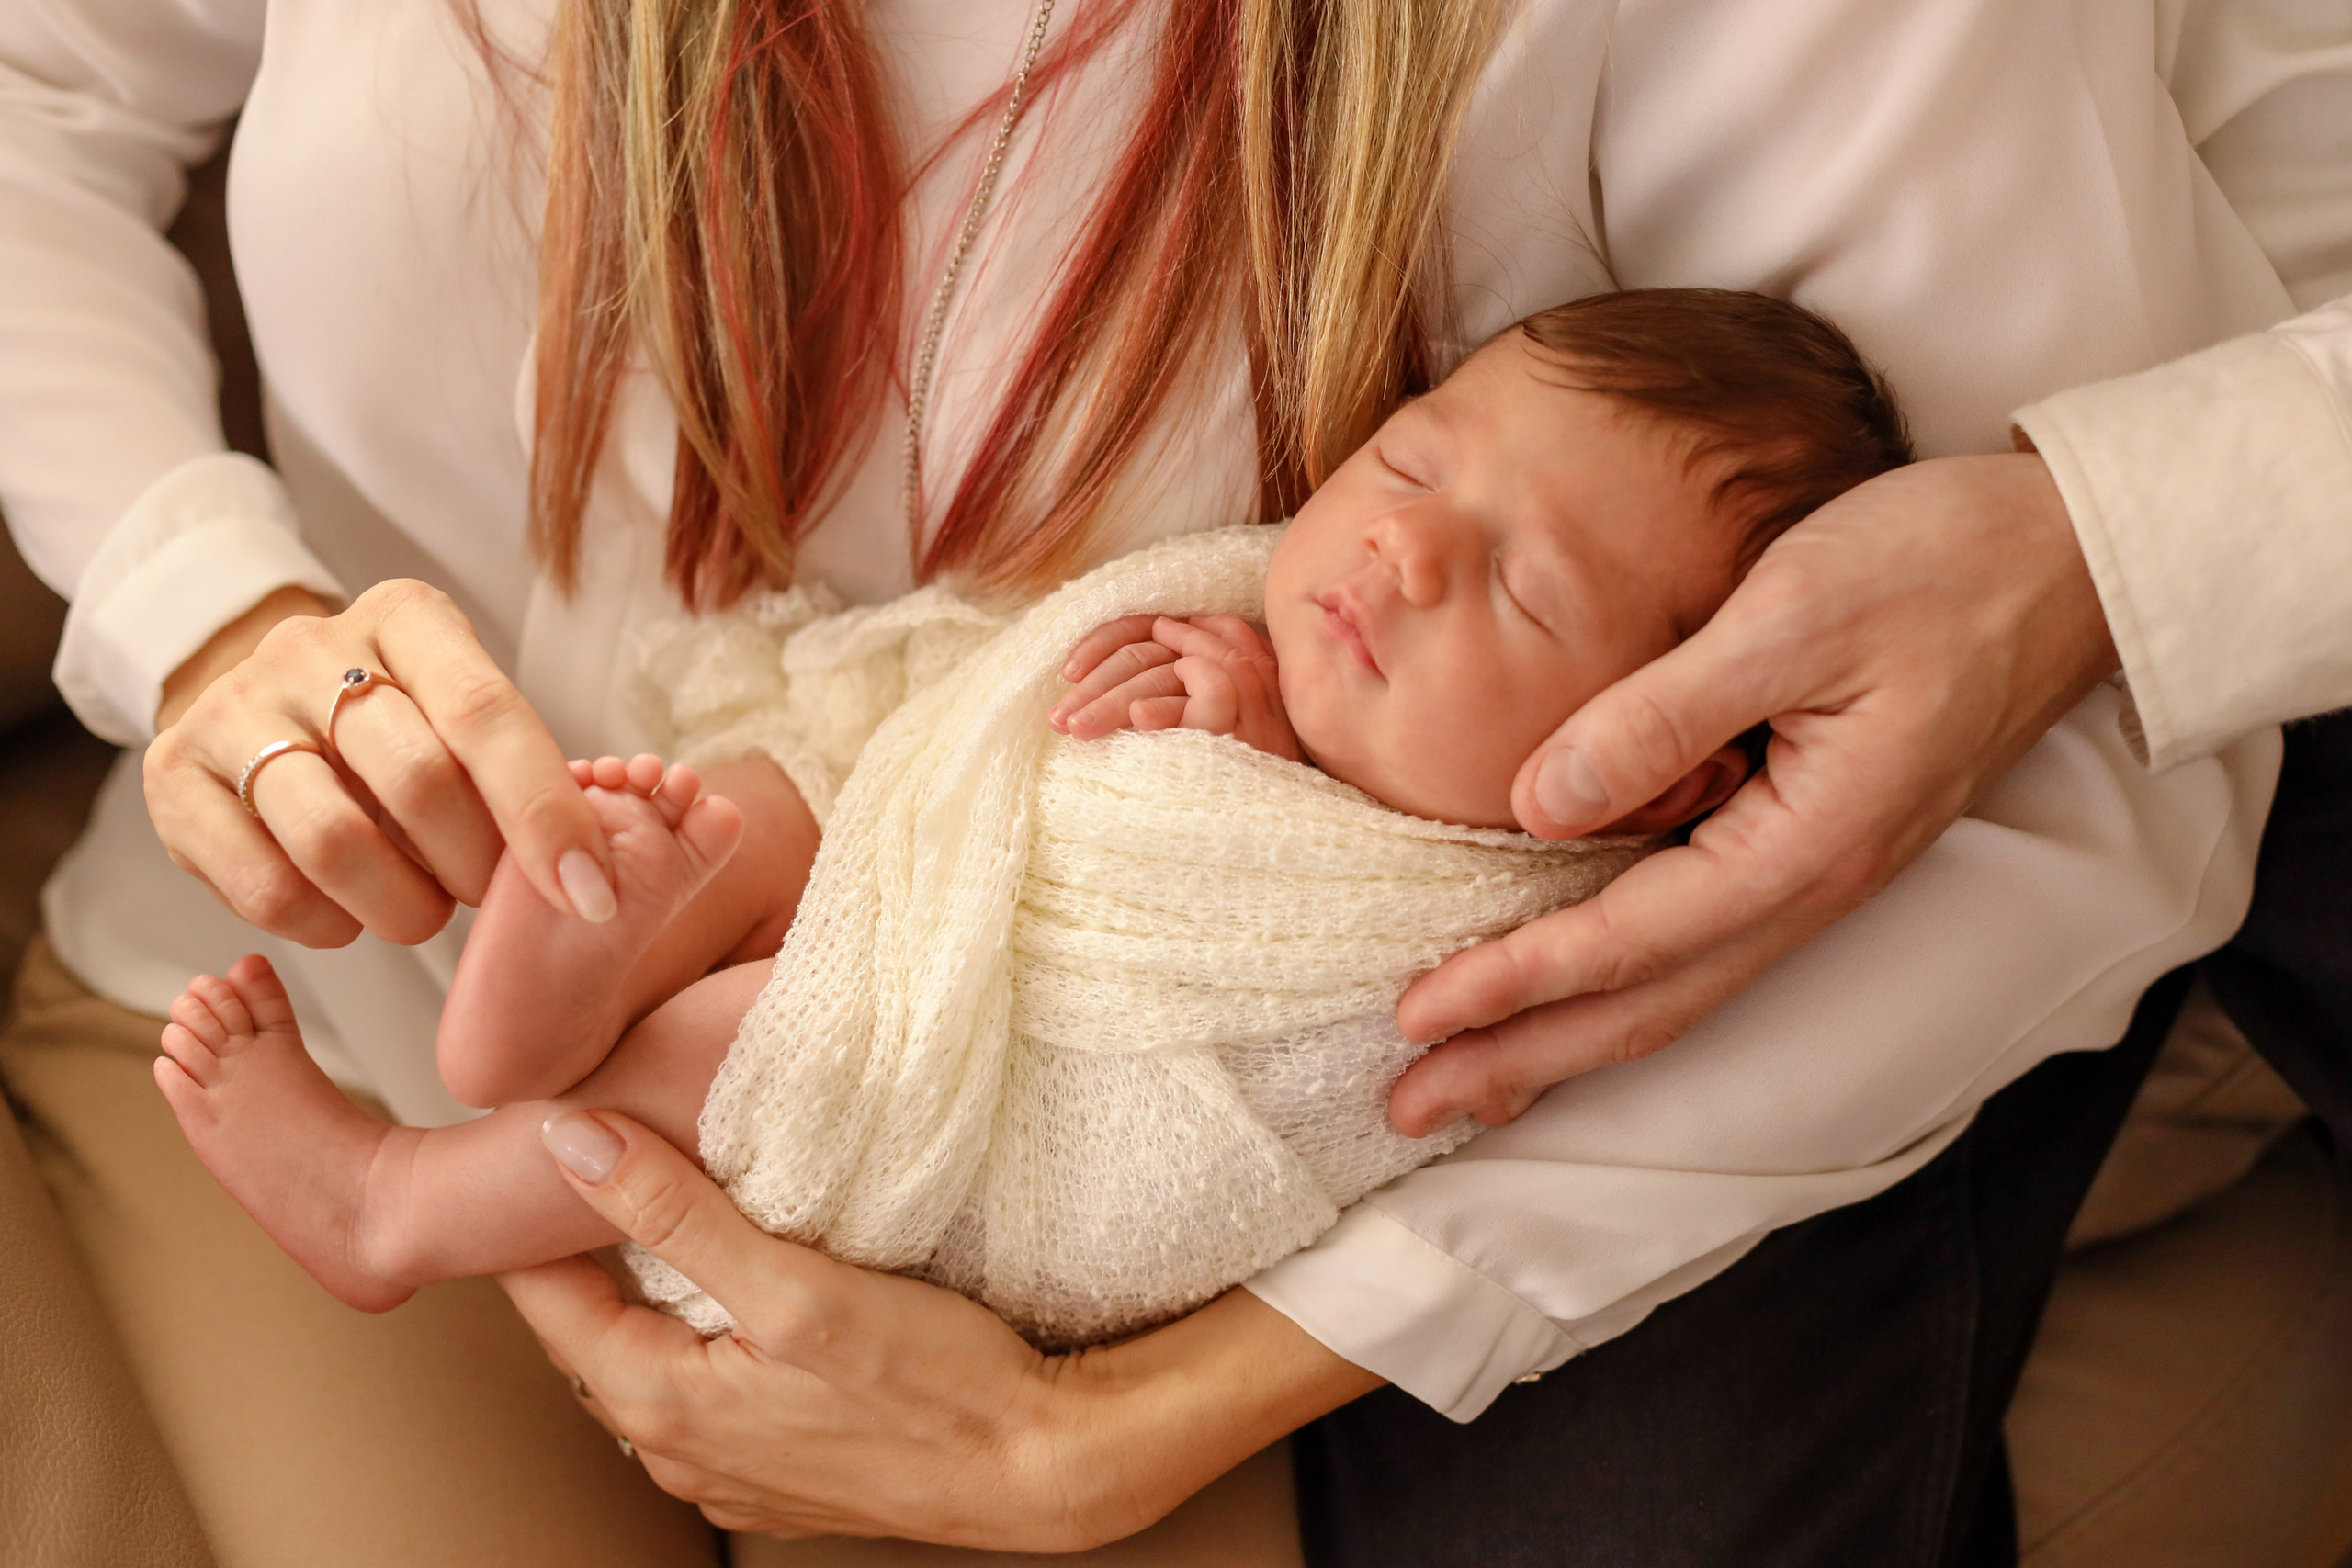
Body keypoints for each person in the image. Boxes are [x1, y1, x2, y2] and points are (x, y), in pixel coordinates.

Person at [0, 1, 2338, 1564]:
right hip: (346, 1001)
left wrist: (1147, 1408)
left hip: (1097, 1204)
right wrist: (198, 606)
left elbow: (2038, 728)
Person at [153, 291, 1907, 1336]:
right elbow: (1017, 717)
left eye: (1526, 593)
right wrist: (1222, 699)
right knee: (772, 804)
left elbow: (1290, 987)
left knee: (762, 1039)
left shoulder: (1530, 906)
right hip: (934, 880)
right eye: (1417, 457)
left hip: (1043, 1103)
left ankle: (396, 1201)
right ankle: (559, 955)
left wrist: (1230, 771)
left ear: (1665, 763)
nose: (1404, 547)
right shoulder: (1293, 628)